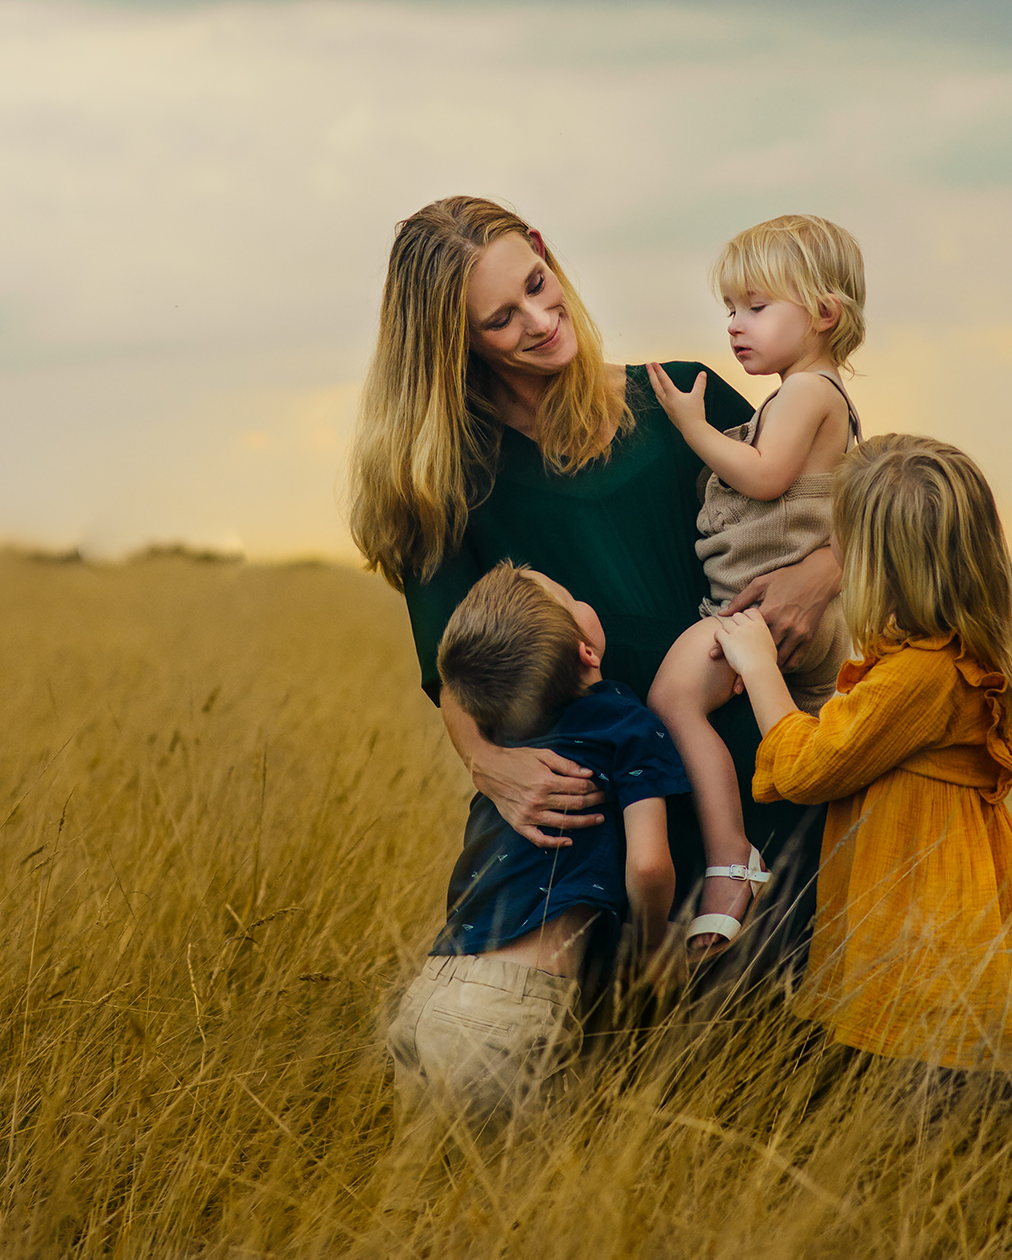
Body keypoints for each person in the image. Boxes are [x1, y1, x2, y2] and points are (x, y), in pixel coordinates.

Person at [348, 196, 843, 971]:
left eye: (537, 284)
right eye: (501, 319)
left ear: (545, 251)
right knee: (599, 1045)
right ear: (455, 344)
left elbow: (836, 504)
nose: (541, 320)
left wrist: (820, 575)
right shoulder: (444, 478)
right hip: (599, 786)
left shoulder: (684, 398)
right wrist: (489, 765)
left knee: (774, 1026)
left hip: (749, 766)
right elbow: (449, 662)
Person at [714, 434, 1012, 1074]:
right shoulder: (951, 652)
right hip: (944, 902)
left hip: (922, 920)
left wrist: (759, 666)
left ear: (879, 564)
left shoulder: (923, 674)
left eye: (839, 538)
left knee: (922, 1083)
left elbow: (808, 767)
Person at [387, 562, 687, 1125]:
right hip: (509, 1015)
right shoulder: (627, 726)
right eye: (570, 596)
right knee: (526, 1202)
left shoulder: (504, 744)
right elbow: (649, 867)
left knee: (421, 1192)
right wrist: (650, 945)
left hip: (431, 993)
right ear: (587, 653)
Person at [646, 215, 865, 957]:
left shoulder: (808, 392)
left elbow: (767, 475)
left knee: (672, 695)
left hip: (767, 617)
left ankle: (731, 857)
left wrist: (692, 426)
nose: (736, 325)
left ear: (824, 314)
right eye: (730, 310)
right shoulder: (799, 393)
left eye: (756, 306)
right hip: (759, 612)